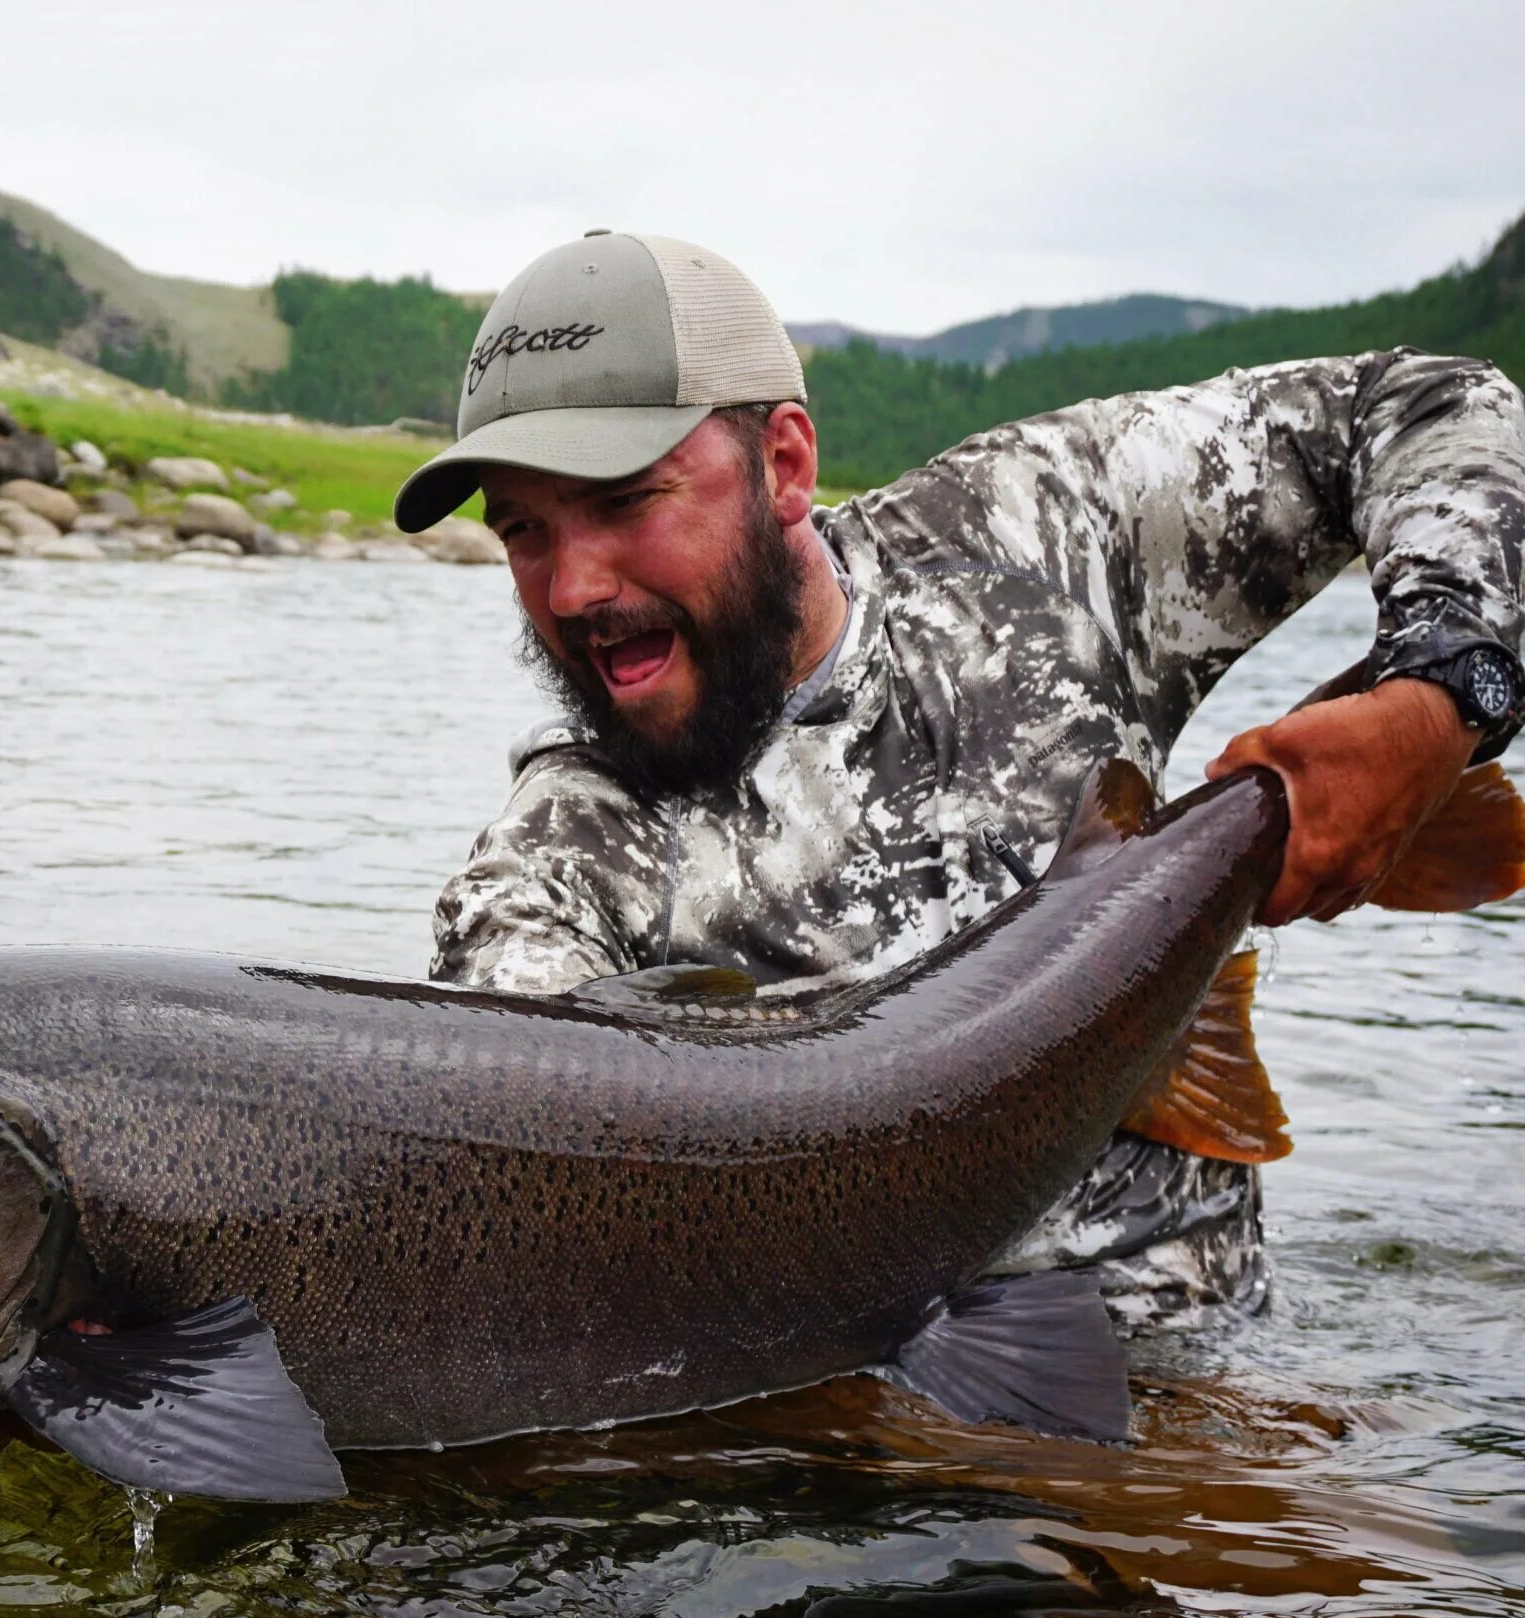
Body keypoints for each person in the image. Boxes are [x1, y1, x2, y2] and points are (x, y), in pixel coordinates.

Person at [398, 232, 1525, 1327]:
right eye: (523, 531)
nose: (572, 586)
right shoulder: (554, 868)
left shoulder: (1044, 533)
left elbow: (1434, 406)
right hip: (876, 1463)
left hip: (1224, 1393)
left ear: (782, 464)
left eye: (625, 501)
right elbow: (507, 1213)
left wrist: (1437, 697)